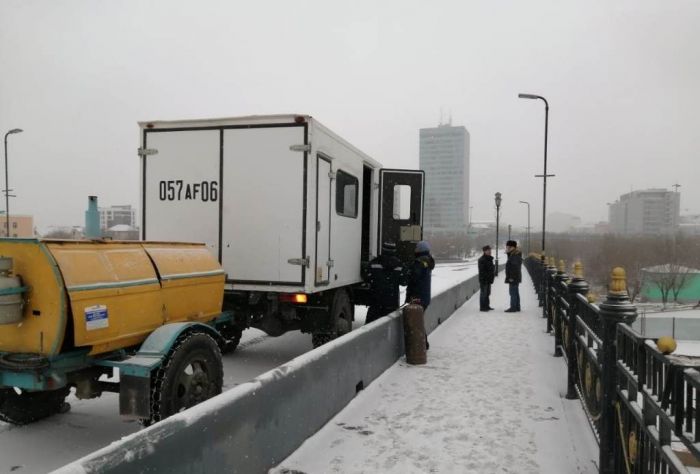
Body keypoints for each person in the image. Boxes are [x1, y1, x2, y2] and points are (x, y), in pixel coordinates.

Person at [365, 242, 406, 324]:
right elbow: (404, 282)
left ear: (383, 250)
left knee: (370, 328)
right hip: (392, 303)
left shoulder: (374, 263)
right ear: (394, 251)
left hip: (376, 302)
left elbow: (367, 277)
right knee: (389, 327)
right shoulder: (399, 265)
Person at [406, 240, 435, 349]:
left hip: (418, 297)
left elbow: (414, 280)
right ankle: (423, 344)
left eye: (416, 248)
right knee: (419, 320)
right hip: (424, 297)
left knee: (416, 322)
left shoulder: (419, 263)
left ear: (419, 250)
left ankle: (421, 345)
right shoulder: (428, 262)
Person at [504, 240, 522, 312]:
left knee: (513, 292)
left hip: (513, 277)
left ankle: (513, 307)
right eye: (507, 246)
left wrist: (511, 277)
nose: (507, 248)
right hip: (515, 277)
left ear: (513, 247)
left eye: (508, 246)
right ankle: (517, 307)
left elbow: (514, 267)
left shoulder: (514, 255)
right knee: (515, 292)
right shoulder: (514, 254)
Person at [478, 245, 495, 312]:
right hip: (484, 280)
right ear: (484, 251)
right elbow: (483, 271)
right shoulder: (482, 259)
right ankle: (482, 307)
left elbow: (491, 269)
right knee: (483, 294)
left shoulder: (489, 259)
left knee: (488, 293)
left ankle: (487, 306)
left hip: (488, 279)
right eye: (488, 250)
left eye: (490, 250)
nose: (490, 251)